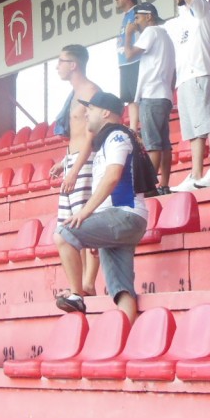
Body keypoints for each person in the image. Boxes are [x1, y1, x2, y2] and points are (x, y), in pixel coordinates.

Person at [53, 91, 148, 323]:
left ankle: (76, 295)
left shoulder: (116, 135)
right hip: (123, 218)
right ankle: (127, 339)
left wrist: (85, 213)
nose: (86, 113)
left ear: (105, 112)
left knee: (64, 234)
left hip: (123, 214)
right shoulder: (110, 138)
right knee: (122, 290)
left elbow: (113, 176)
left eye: (92, 109)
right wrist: (98, 234)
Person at [130, 0, 210, 191]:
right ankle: (195, 174)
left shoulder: (201, 7)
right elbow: (153, 24)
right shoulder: (179, 20)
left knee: (209, 123)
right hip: (184, 79)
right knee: (193, 130)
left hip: (200, 72)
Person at [48, 44, 101, 296]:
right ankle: (78, 286)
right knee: (70, 229)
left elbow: (91, 135)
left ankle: (88, 284)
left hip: (86, 162)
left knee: (85, 223)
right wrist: (64, 161)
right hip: (74, 160)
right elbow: (77, 135)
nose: (57, 66)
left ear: (74, 64)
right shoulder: (74, 93)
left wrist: (75, 169)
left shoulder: (90, 91)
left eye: (61, 61)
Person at [123, 3, 176, 194]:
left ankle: (150, 188)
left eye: (137, 18)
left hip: (152, 94)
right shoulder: (165, 36)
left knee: (153, 144)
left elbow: (128, 55)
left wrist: (128, 35)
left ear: (148, 16)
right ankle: (164, 185)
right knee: (164, 144)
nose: (135, 22)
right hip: (164, 94)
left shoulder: (151, 32)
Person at [115, 0, 140, 128]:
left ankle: (137, 126)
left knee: (136, 96)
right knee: (130, 98)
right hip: (124, 63)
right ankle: (133, 127)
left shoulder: (137, 12)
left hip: (134, 61)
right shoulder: (126, 15)